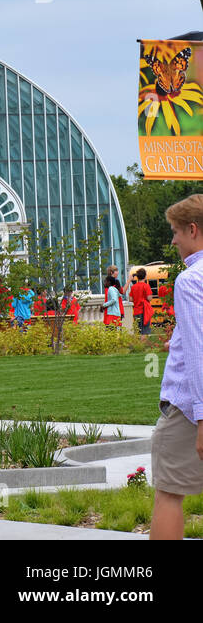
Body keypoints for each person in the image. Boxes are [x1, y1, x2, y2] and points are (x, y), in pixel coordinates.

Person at [149, 193, 203, 540]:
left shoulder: (190, 280)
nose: (173, 240)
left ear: (194, 229)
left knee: (169, 493)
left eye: (175, 231)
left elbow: (201, 352)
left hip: (188, 408)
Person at [130, 269, 154, 336]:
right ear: (145, 276)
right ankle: (143, 345)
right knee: (145, 331)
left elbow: (131, 299)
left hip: (136, 311)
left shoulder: (133, 287)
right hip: (144, 311)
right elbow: (149, 298)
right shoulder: (146, 286)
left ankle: (138, 345)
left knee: (138, 330)